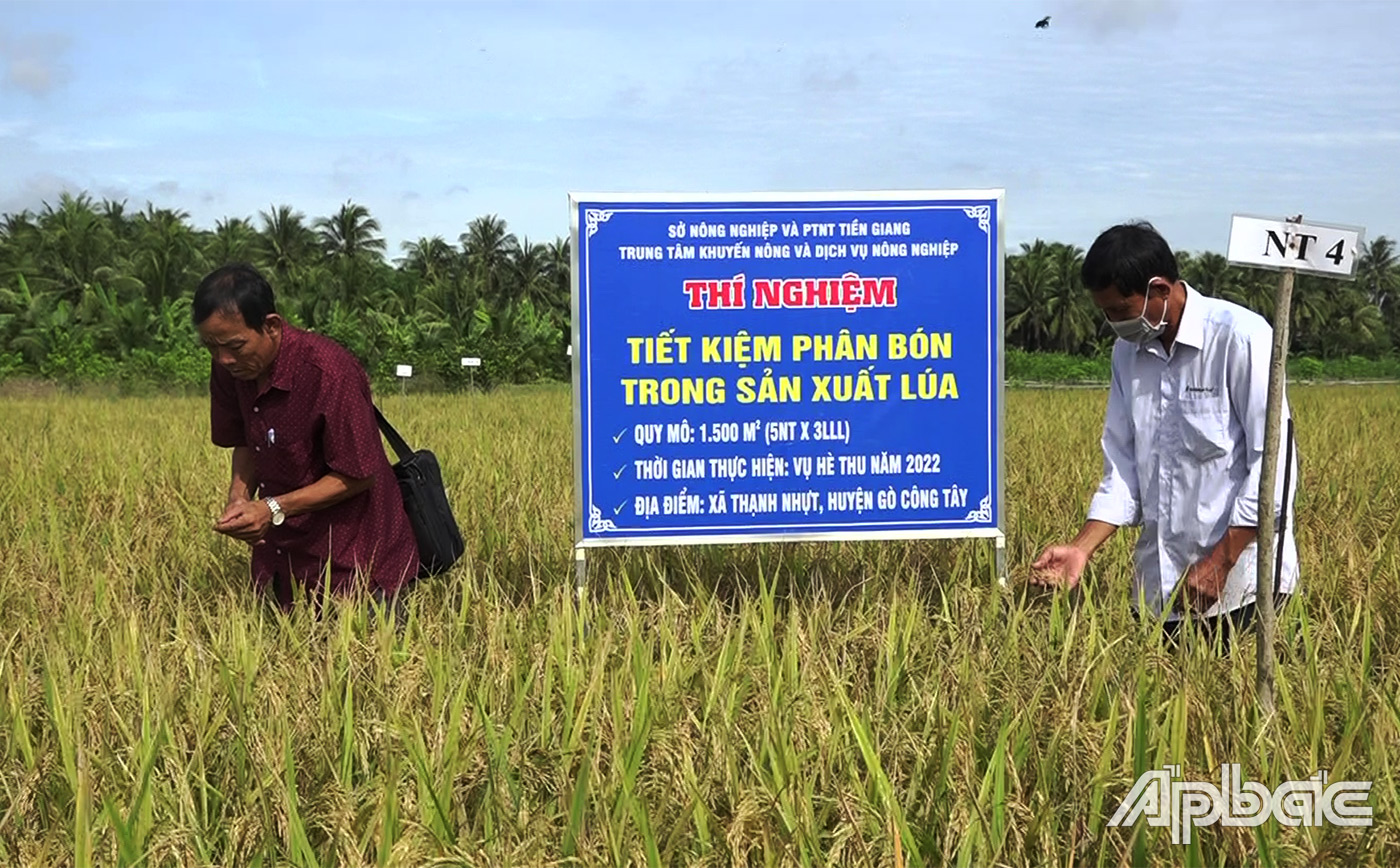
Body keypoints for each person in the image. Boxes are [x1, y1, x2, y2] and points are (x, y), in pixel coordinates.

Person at [1030, 222, 1299, 647]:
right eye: (1106, 312)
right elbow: (1121, 466)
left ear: (1159, 289)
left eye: (1120, 310)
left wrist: (1221, 562)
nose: (1113, 323)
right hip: (1161, 590)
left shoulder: (1239, 338)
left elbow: (1275, 464)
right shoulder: (1127, 353)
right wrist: (1081, 548)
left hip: (1241, 587)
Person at [194, 263, 419, 611]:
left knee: (363, 657)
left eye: (235, 345)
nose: (223, 358)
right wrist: (239, 498)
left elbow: (358, 475)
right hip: (285, 561)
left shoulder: (327, 371)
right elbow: (247, 440)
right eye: (211, 347)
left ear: (271, 326)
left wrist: (271, 508)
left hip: (357, 564)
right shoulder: (230, 368)